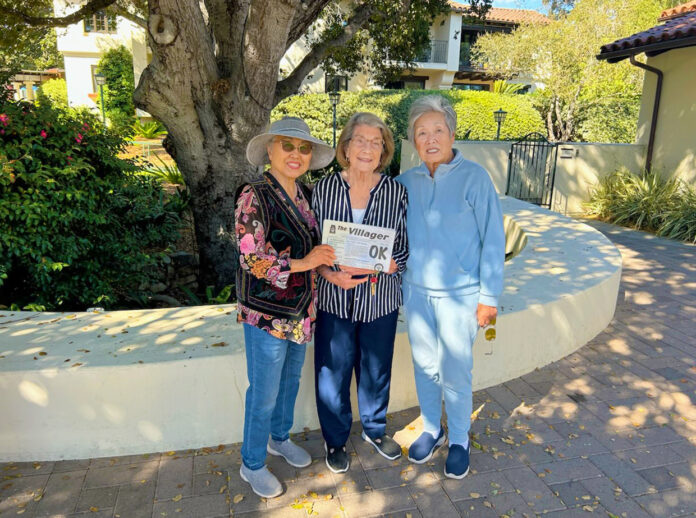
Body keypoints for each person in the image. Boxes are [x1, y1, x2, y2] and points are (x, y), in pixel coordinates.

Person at [396, 95, 505, 479]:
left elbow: (493, 239)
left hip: (462, 296)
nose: (429, 138)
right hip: (416, 294)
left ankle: (459, 438)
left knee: (456, 371)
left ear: (452, 133)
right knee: (425, 366)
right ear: (413, 140)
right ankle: (432, 429)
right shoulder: (404, 182)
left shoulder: (474, 177)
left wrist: (489, 298)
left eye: (437, 130)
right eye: (421, 132)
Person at [235, 117, 336, 498]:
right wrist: (305, 263)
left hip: (301, 312)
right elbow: (252, 260)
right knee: (263, 391)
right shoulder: (254, 194)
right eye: (287, 146)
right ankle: (252, 462)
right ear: (270, 151)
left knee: (290, 383)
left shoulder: (307, 195)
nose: (296, 154)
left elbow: (320, 248)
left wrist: (328, 264)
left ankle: (279, 438)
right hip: (265, 314)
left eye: (304, 148)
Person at [312, 112, 409, 473]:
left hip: (379, 298)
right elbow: (312, 247)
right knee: (332, 372)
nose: (368, 148)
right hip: (334, 297)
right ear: (346, 146)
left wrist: (378, 267)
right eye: (361, 140)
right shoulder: (323, 190)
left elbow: (404, 250)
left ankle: (373, 429)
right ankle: (335, 440)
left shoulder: (396, 192)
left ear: (383, 150)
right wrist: (325, 272)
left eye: (376, 141)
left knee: (376, 369)